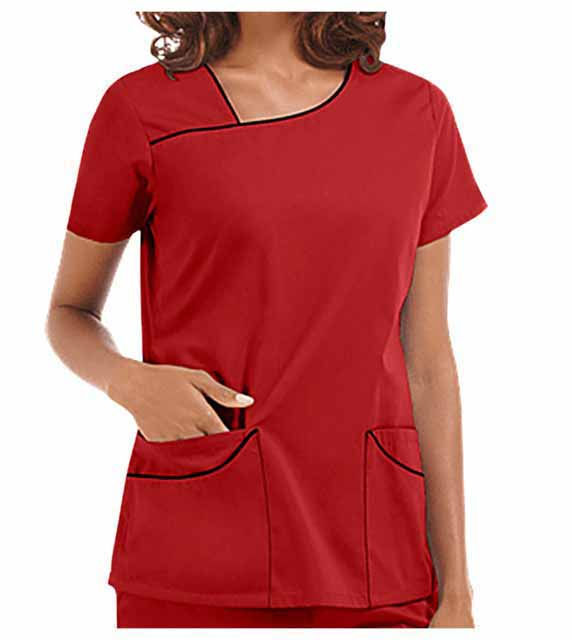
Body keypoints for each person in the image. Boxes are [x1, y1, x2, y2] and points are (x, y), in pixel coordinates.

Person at [46, 11, 487, 628]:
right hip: (200, 542)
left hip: (376, 550)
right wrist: (127, 381)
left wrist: (457, 591)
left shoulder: (418, 112)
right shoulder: (141, 108)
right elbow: (69, 312)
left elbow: (430, 360)